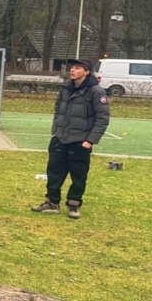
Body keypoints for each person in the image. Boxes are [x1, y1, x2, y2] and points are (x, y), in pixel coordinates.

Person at [31, 58, 109, 220]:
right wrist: (56, 131)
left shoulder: (96, 91)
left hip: (80, 141)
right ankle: (52, 202)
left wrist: (89, 141)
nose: (72, 70)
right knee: (54, 172)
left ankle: (74, 205)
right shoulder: (66, 88)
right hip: (60, 138)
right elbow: (58, 109)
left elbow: (102, 118)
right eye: (72, 67)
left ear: (86, 72)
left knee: (78, 175)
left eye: (78, 68)